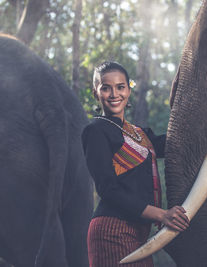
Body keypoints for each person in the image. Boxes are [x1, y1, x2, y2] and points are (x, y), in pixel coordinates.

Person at [82, 61, 189, 267]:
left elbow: (173, 145)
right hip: (112, 231)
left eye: (120, 87)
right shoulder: (95, 130)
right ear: (96, 93)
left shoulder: (139, 133)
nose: (114, 94)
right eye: (106, 88)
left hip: (138, 233)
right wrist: (163, 215)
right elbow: (108, 190)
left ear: (128, 90)